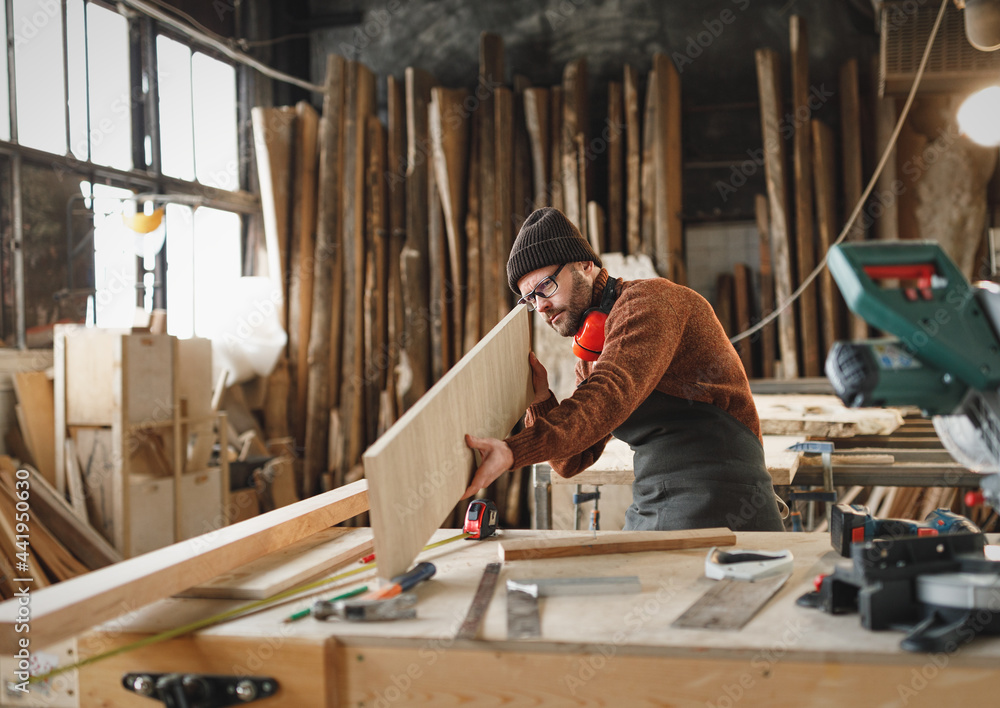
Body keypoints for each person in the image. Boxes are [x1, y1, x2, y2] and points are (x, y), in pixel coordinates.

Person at [463, 207, 784, 532]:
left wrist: (511, 450)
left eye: (546, 286)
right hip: (655, 499)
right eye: (529, 298)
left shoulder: (651, 302)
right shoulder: (592, 352)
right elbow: (571, 461)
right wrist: (540, 397)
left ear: (584, 265)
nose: (541, 306)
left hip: (721, 497)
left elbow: (611, 392)